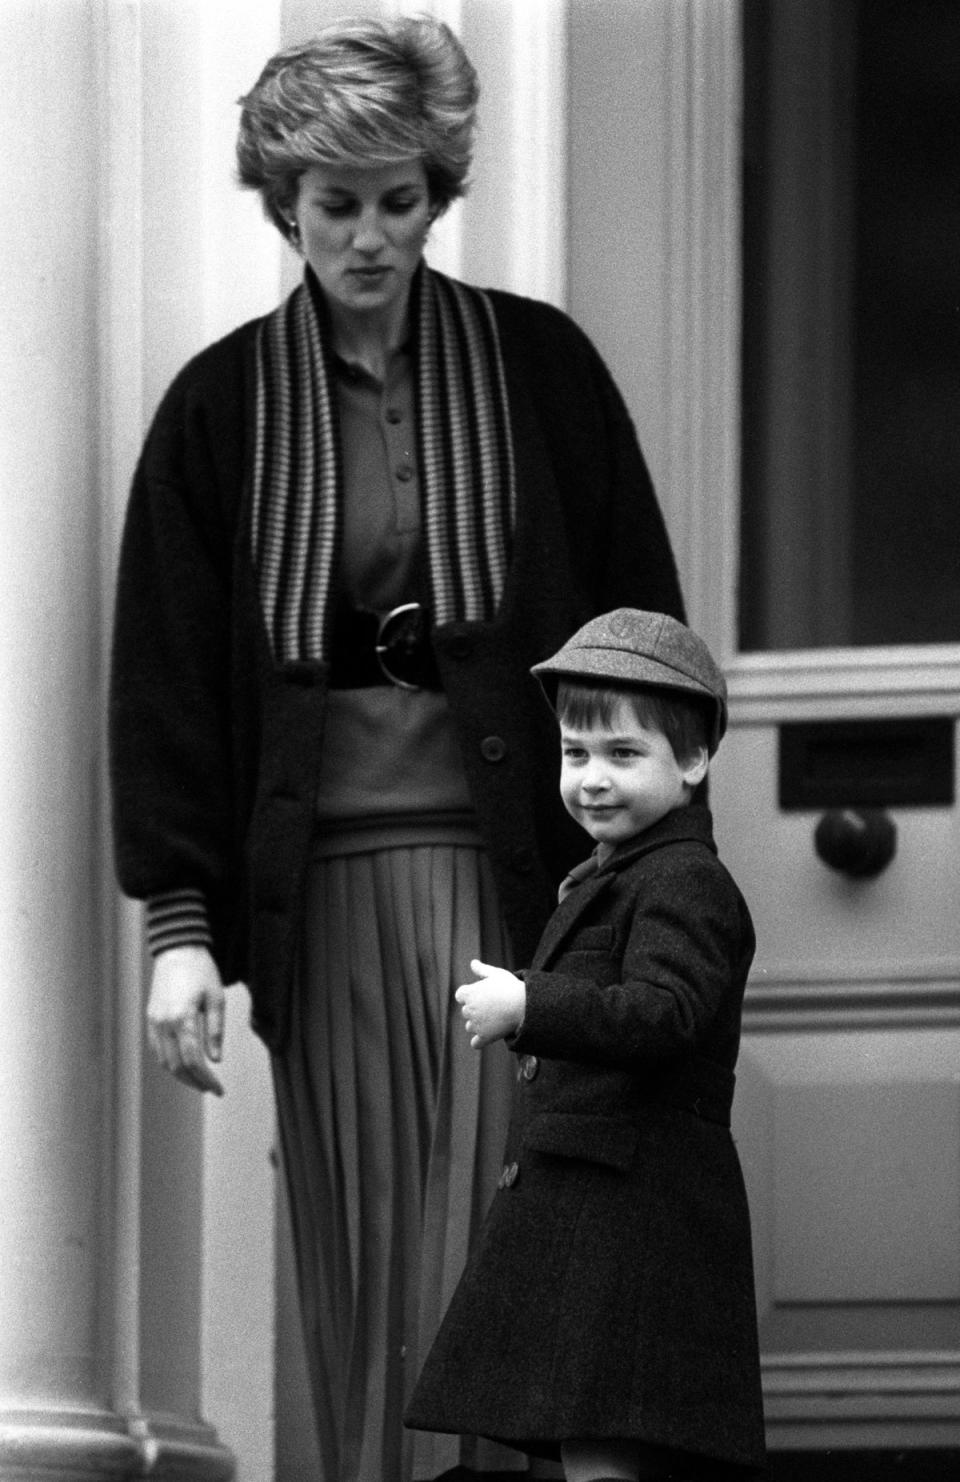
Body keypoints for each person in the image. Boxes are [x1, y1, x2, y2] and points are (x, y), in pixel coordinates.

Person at [108, 16, 686, 1482]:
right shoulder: (219, 410)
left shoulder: (542, 370)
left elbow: (640, 632)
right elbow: (167, 686)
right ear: (284, 206)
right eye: (335, 205)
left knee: (503, 1239)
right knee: (357, 1264)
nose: (368, 236)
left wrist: (656, 879)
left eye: (397, 199)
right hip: (324, 899)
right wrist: (180, 929)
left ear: (439, 193)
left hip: (526, 892)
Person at [406, 609, 766, 1482]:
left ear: (693, 761)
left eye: (623, 754)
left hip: (635, 1212)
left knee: (604, 1433)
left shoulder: (685, 880)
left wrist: (533, 1005)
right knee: (579, 1435)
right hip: (594, 1206)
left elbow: (663, 1012)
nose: (592, 779)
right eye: (576, 753)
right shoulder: (614, 874)